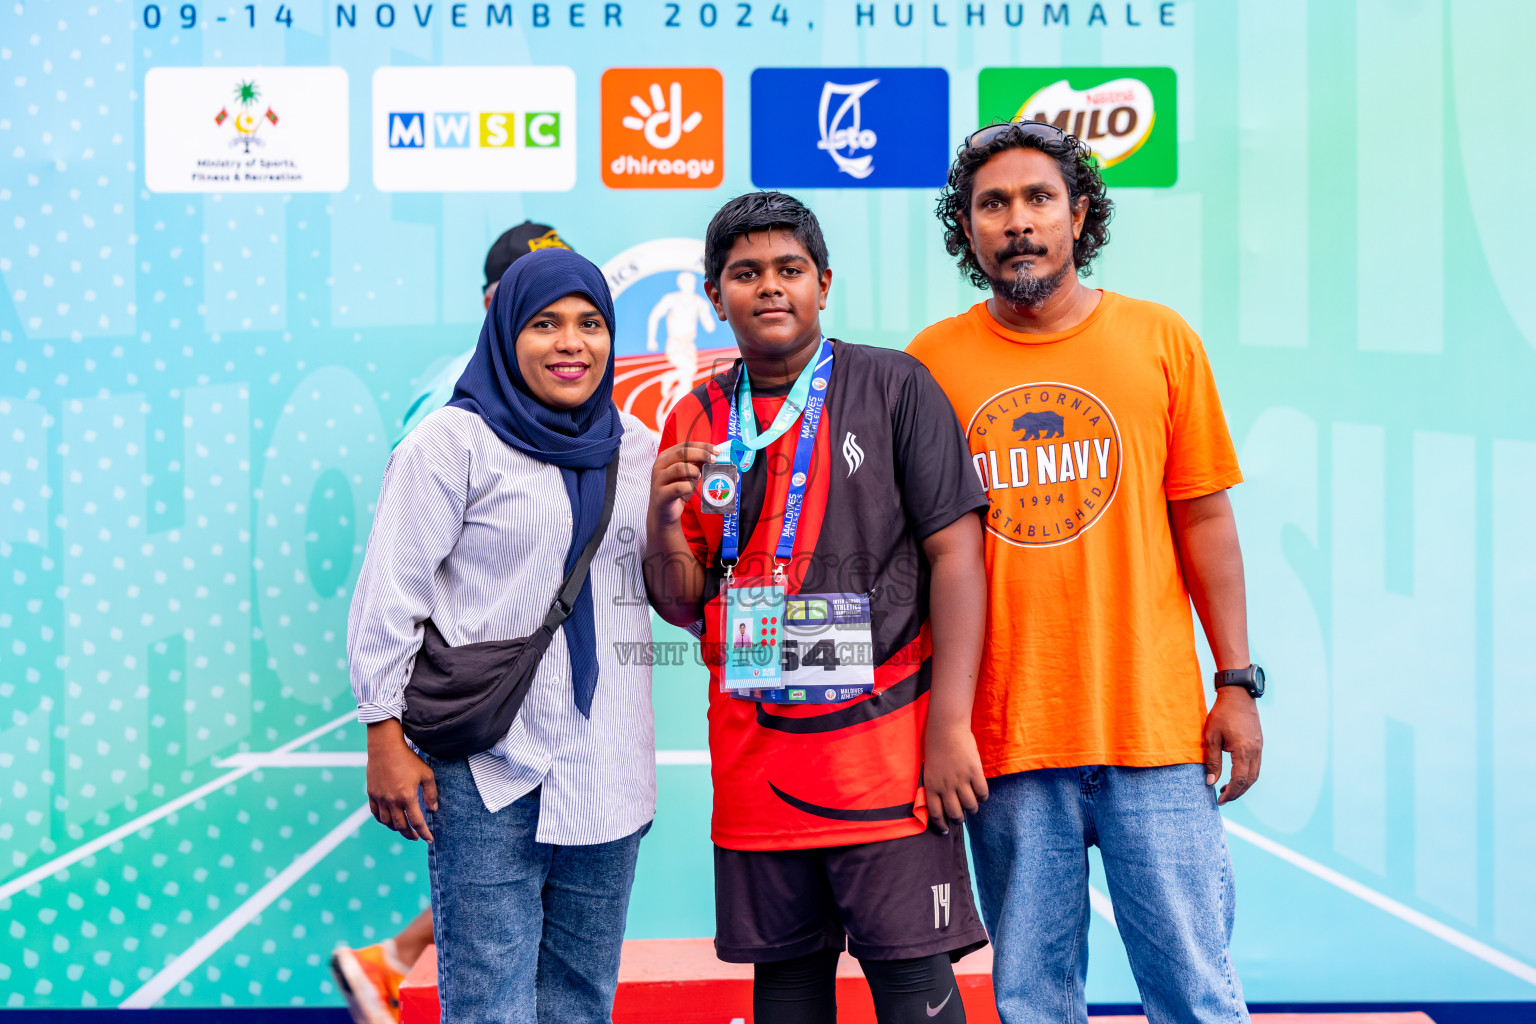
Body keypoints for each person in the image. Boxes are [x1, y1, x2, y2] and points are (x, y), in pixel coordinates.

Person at [907, 122, 1265, 1024]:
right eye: (993, 205)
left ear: (1081, 215)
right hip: (1005, 743)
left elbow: (1205, 520)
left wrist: (1236, 682)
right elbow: (913, 559)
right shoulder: (930, 364)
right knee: (1033, 1000)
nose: (1017, 222)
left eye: (1038, 199)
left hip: (1153, 732)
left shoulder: (1159, 340)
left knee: (1197, 995)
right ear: (969, 228)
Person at [645, 191, 991, 1024]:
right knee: (788, 995)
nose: (770, 287)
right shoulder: (692, 417)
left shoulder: (894, 384)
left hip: (890, 766)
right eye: (745, 273)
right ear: (714, 290)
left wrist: (950, 728)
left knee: (916, 994)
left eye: (789, 269)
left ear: (824, 283)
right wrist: (660, 520)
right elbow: (680, 600)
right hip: (757, 771)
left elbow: (958, 555)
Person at [347, 247, 660, 1024]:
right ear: (503, 333)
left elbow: (666, 588)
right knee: (488, 1002)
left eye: (590, 324)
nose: (570, 343)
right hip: (488, 767)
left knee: (581, 1000)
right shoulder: (451, 445)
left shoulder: (641, 449)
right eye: (544, 324)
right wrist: (382, 735)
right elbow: (390, 596)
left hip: (606, 762)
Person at [331, 219, 575, 1024]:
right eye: (532, 301)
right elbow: (410, 562)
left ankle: (390, 959)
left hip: (532, 699)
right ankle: (392, 959)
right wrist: (390, 724)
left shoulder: (571, 408)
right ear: (491, 305)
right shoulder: (453, 408)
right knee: (498, 916)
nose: (558, 322)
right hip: (477, 706)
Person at [394, 221, 573, 447]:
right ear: (492, 305)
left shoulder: (580, 383)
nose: (556, 306)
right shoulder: (452, 399)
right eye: (534, 292)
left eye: (571, 292)